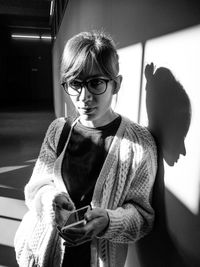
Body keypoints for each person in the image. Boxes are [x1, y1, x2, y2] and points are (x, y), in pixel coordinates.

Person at [23, 31, 157, 267]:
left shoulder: (139, 142)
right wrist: (51, 199)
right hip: (47, 255)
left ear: (116, 84)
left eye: (96, 83)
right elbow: (36, 188)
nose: (84, 97)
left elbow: (142, 217)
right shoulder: (58, 130)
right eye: (75, 83)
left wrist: (108, 221)